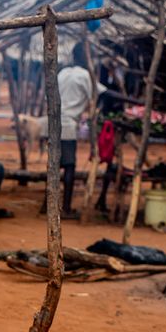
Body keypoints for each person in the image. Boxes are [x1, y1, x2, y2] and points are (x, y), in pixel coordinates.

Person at [57, 42, 101, 219]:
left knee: (54, 164)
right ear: (86, 57)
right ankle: (66, 208)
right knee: (69, 166)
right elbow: (99, 94)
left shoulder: (62, 73)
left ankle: (48, 204)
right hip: (67, 124)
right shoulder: (85, 75)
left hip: (52, 121)